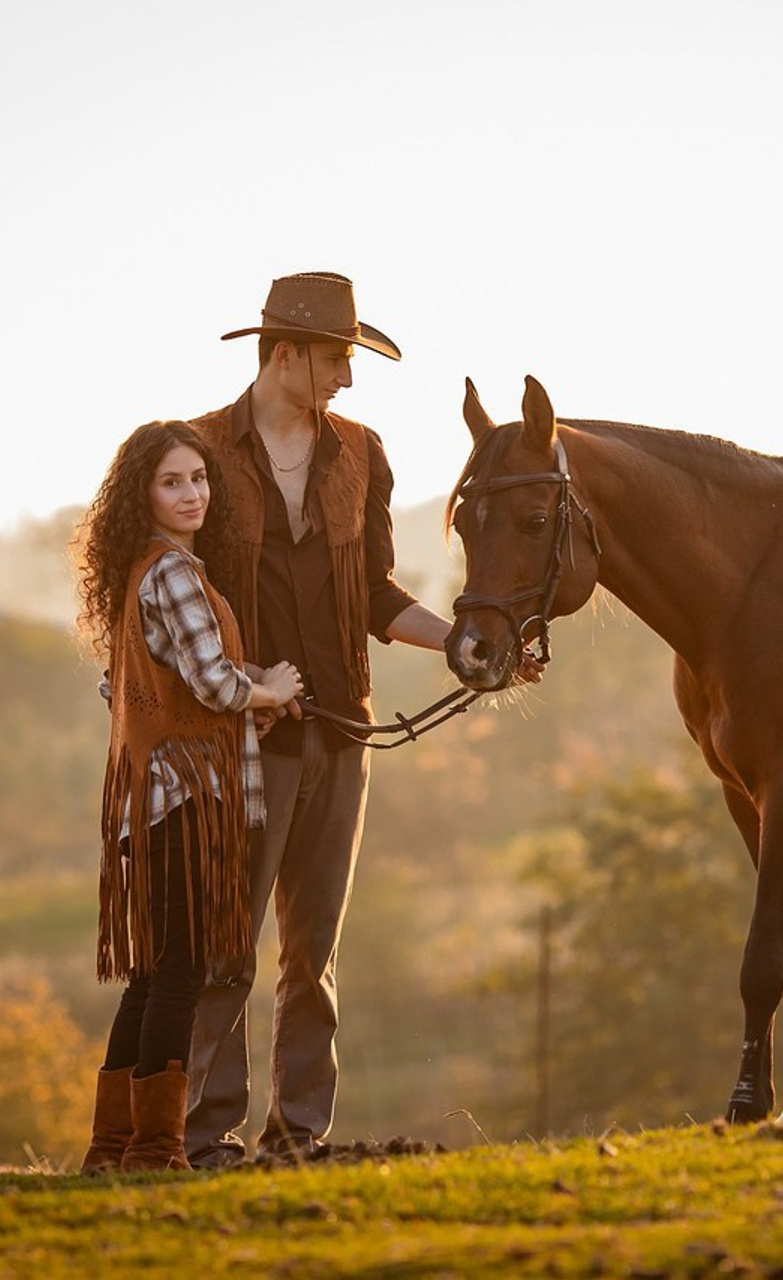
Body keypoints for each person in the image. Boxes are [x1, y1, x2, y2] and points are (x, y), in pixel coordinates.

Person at [183, 271, 540, 1167]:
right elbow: (170, 590)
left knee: (314, 952)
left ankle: (298, 1133)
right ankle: (205, 1134)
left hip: (341, 733)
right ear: (285, 352)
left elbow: (377, 595)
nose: (346, 377)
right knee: (228, 942)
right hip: (238, 734)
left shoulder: (362, 453)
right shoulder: (193, 453)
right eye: (337, 358)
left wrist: (463, 643)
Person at [73, 420, 304, 1174]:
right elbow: (210, 682)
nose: (191, 494)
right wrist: (265, 686)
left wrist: (250, 701)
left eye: (198, 479)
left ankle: (113, 1148)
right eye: (172, 482)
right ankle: (155, 1150)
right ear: (143, 493)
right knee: (179, 976)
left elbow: (131, 689)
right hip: (189, 801)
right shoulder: (174, 574)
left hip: (151, 800)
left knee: (151, 975)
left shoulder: (140, 571)